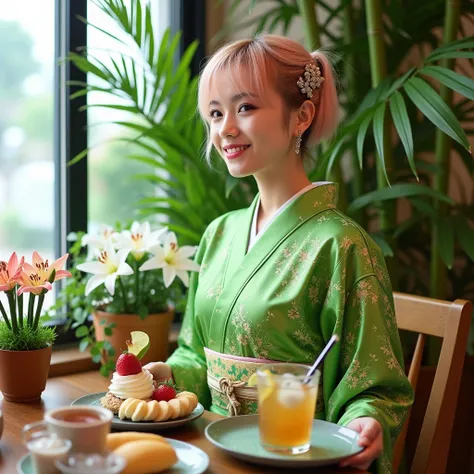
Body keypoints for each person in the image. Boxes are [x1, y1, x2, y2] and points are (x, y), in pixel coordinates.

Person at [144, 34, 413, 473]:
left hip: (295, 458)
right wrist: (167, 375)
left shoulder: (341, 245)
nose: (224, 129)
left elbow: (375, 387)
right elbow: (196, 352)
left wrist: (368, 420)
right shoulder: (219, 234)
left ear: (302, 115)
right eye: (214, 114)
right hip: (213, 454)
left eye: (245, 107)